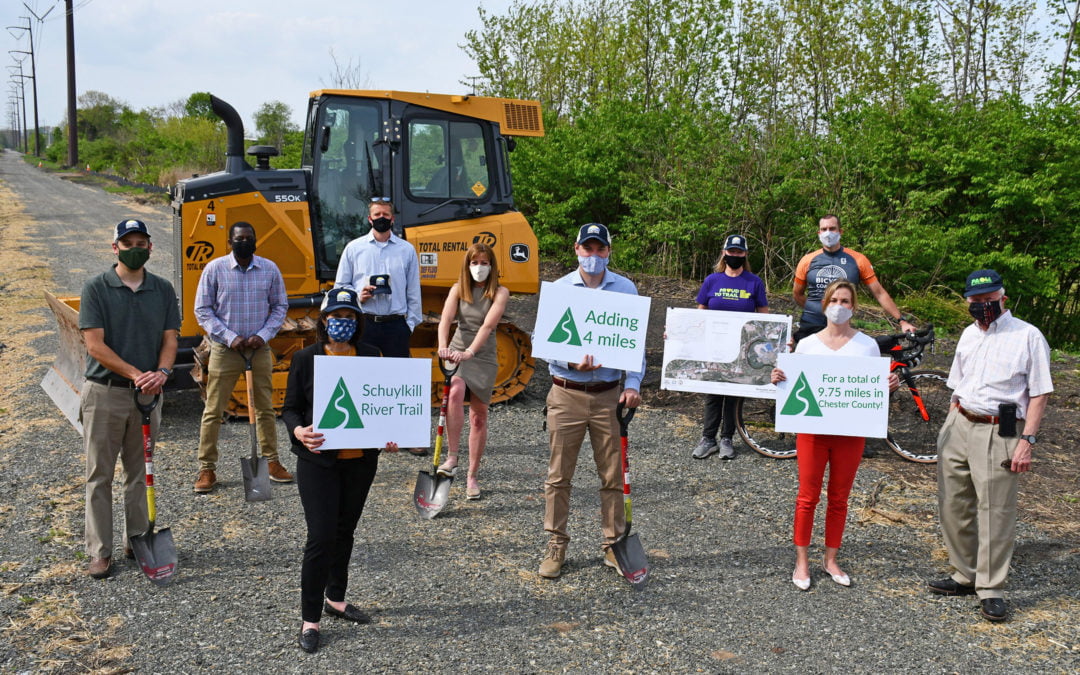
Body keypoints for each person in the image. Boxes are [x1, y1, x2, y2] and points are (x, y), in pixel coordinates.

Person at [928, 269, 1052, 622]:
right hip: (961, 421)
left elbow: (1041, 392)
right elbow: (958, 381)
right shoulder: (968, 334)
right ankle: (964, 573)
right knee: (953, 503)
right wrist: (953, 416)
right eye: (975, 301)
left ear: (1003, 297)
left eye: (988, 299)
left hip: (1001, 429)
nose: (982, 306)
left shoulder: (1028, 336)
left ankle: (991, 587)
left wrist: (1027, 440)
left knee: (995, 511)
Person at [282, 287, 400, 654]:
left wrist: (391, 434)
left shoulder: (371, 355)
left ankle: (336, 598)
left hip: (360, 463)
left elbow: (383, 405)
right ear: (323, 319)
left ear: (357, 322)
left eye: (349, 317)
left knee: (345, 531)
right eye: (336, 317)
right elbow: (290, 410)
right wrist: (299, 431)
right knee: (320, 537)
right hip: (318, 463)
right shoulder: (305, 359)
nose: (342, 323)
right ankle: (310, 619)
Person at [770, 280, 899, 591]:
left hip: (850, 434)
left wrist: (889, 385)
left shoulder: (867, 345)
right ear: (825, 304)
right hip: (813, 433)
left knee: (839, 498)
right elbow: (793, 386)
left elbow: (873, 389)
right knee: (807, 497)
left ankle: (830, 559)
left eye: (846, 300)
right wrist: (779, 379)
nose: (839, 306)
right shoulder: (807, 344)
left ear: (853, 307)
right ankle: (802, 560)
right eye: (835, 300)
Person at [539, 223, 645, 579]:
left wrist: (631, 383)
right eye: (588, 249)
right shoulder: (559, 290)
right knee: (558, 476)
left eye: (600, 249)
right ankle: (556, 545)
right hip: (566, 392)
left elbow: (635, 345)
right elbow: (544, 341)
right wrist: (570, 360)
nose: (594, 256)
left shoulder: (626, 290)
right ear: (576, 250)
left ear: (609, 252)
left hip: (609, 397)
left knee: (612, 475)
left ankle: (613, 545)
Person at [78, 219, 180, 579]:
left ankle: (137, 539)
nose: (135, 247)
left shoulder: (163, 289)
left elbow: (171, 339)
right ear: (115, 247)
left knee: (139, 474)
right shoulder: (97, 288)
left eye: (141, 242)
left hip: (149, 397)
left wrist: (163, 373)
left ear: (150, 248)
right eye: (128, 242)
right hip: (105, 393)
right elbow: (94, 344)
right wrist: (137, 374)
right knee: (99, 475)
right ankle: (99, 550)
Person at [193, 221, 290, 492]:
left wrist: (264, 334)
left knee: (265, 408)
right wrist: (229, 337)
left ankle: (272, 461)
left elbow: (280, 306)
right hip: (226, 349)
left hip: (259, 348)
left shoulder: (269, 269)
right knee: (213, 410)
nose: (244, 242)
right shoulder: (215, 269)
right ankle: (207, 468)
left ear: (255, 240)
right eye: (239, 238)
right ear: (230, 242)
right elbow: (202, 309)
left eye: (249, 238)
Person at [334, 198, 424, 455]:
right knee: (364, 380)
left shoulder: (406, 250)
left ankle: (404, 436)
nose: (381, 217)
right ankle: (367, 435)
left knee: (399, 383)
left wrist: (411, 324)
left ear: (392, 219)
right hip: (366, 323)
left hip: (396, 324)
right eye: (377, 214)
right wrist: (358, 296)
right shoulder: (354, 249)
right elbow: (340, 287)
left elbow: (413, 291)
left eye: (386, 213)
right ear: (369, 219)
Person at [435, 243, 510, 500]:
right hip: (457, 349)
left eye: (484, 263)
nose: (480, 267)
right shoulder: (458, 289)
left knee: (478, 416)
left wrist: (471, 352)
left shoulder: (500, 292)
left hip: (483, 354)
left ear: (492, 266)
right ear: (467, 265)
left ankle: (472, 475)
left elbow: (488, 326)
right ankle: (452, 457)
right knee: (454, 392)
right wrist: (443, 346)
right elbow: (445, 320)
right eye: (475, 263)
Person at [690, 234, 770, 460]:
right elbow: (700, 311)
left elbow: (764, 318)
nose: (735, 255)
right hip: (714, 347)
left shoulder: (754, 282)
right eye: (731, 251)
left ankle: (727, 439)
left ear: (745, 255)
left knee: (733, 393)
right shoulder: (712, 280)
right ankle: (708, 439)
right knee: (713, 394)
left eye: (739, 252)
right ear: (724, 253)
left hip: (741, 349)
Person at [793, 215, 915, 344]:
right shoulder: (807, 260)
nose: (828, 232)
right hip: (811, 322)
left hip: (842, 326)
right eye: (824, 229)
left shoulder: (858, 260)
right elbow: (797, 294)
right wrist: (817, 309)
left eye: (832, 228)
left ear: (840, 231)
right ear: (819, 232)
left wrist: (902, 321)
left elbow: (879, 293)